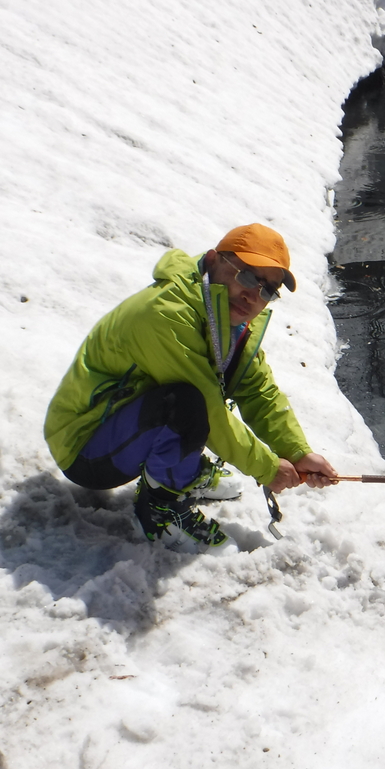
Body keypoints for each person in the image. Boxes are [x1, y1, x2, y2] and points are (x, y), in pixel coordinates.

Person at [44, 223, 337, 550]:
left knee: (189, 405)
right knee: (184, 404)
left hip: (125, 428)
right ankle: (159, 507)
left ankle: (183, 468)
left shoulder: (230, 319)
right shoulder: (166, 314)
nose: (255, 294)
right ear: (214, 260)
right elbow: (209, 410)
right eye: (249, 276)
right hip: (85, 448)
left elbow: (258, 392)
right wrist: (267, 468)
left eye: (268, 289)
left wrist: (298, 451)